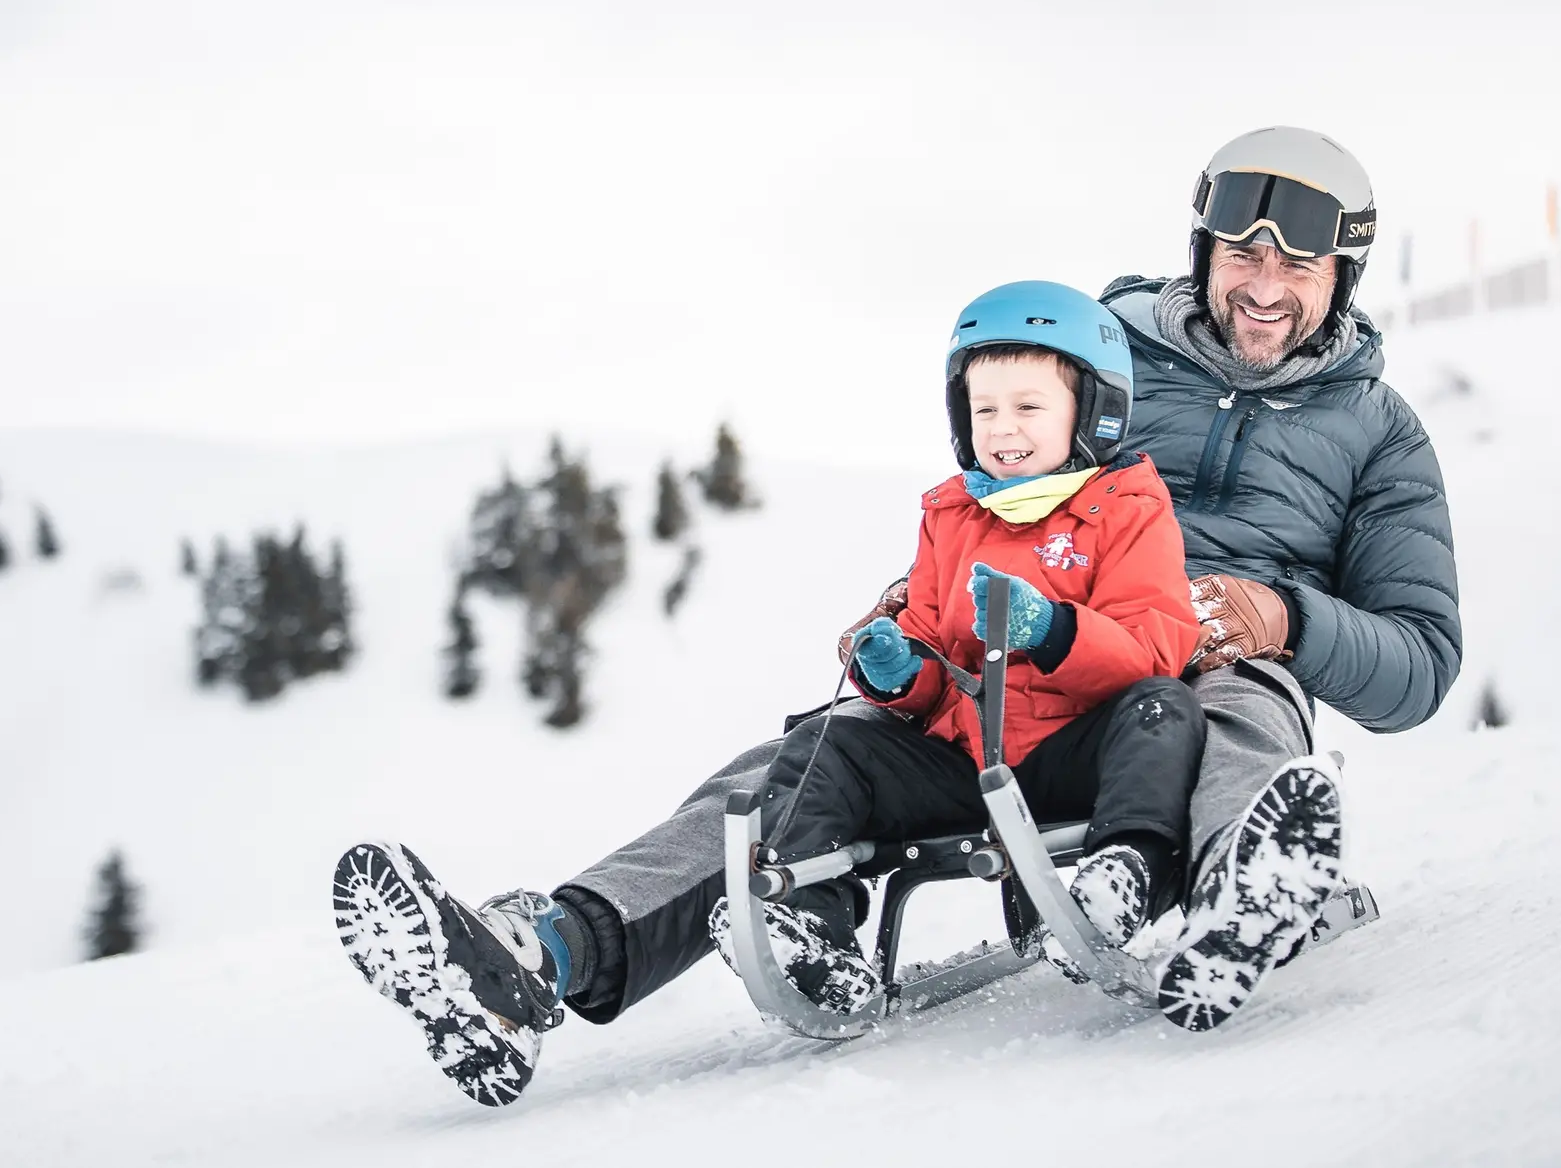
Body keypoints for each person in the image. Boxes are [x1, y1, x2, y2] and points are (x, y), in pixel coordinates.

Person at [332, 128, 1461, 1105]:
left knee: (1233, 711)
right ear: (1202, 250)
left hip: (1193, 656)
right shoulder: (1091, 352)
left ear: (1341, 276)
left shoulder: (1377, 431)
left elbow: (1418, 661)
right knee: (810, 752)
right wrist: (918, 617)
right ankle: (543, 950)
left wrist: (1286, 618)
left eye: (1299, 260)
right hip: (1018, 641)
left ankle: (1238, 900)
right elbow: (989, 483)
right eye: (1242, 250)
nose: (1264, 281)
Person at [694, 281, 1205, 1015]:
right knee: (830, 741)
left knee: (1165, 708)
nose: (1004, 427)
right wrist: (902, 671)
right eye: (984, 408)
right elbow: (934, 656)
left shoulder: (1128, 509)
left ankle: (1125, 875)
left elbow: (1153, 648)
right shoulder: (951, 513)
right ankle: (806, 919)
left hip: (1076, 756)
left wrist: (1055, 630)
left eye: (1029, 407)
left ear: (1094, 410)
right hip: (968, 763)